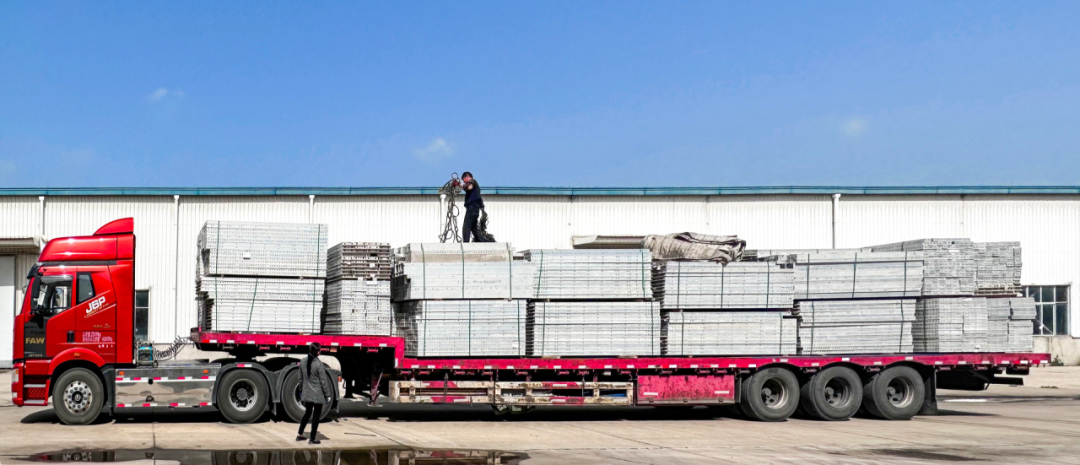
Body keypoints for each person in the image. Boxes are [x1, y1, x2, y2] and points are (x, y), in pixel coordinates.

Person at [296, 342, 333, 444]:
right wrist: (327, 395)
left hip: (307, 393)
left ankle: (300, 434)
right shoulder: (319, 364)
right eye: (319, 350)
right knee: (316, 416)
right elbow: (323, 381)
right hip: (317, 395)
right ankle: (312, 439)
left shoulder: (303, 362)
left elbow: (300, 379)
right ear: (317, 352)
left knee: (307, 413)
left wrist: (301, 391)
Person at [460, 171, 491, 243]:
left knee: (466, 226)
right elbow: (479, 198)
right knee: (474, 229)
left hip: (472, 208)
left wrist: (461, 185)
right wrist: (482, 208)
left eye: (464, 180)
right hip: (475, 209)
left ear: (467, 177)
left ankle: (465, 244)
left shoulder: (472, 181)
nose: (464, 181)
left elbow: (469, 187)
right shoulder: (476, 187)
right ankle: (483, 242)